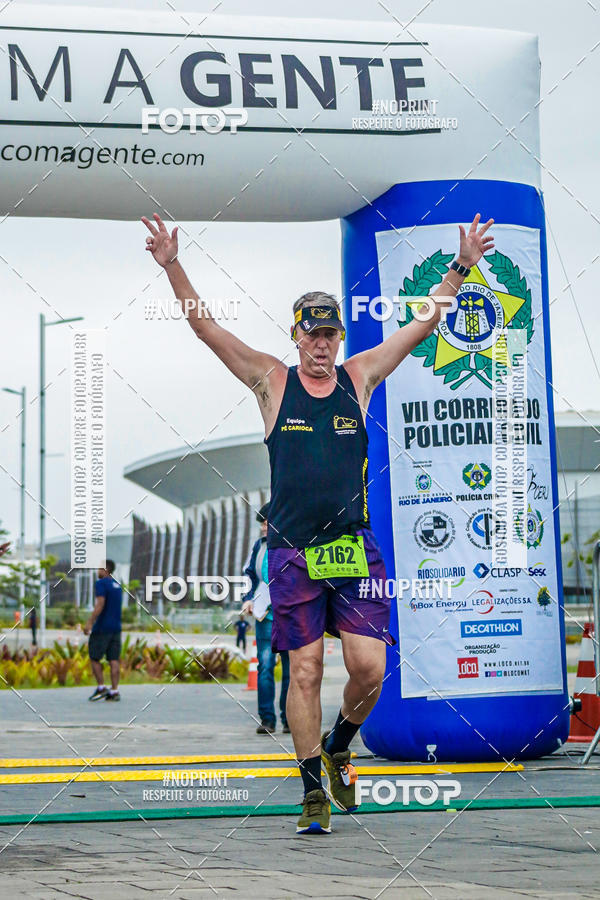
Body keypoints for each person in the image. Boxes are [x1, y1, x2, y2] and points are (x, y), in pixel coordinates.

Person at [142, 210, 494, 834]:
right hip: (293, 550)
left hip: (351, 549)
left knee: (368, 669)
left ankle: (339, 742)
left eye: (331, 333)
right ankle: (312, 790)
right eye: (314, 333)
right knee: (303, 670)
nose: (324, 343)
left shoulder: (360, 377)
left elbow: (421, 323)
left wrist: (461, 266)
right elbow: (205, 328)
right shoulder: (271, 381)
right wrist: (173, 264)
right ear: (298, 335)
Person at [241, 502, 290, 735]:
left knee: (293, 669)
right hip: (265, 616)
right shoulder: (259, 547)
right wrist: (248, 598)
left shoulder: (293, 545)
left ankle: (290, 718)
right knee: (265, 666)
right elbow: (250, 575)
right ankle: (267, 719)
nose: (262, 527)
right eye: (261, 523)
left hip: (291, 615)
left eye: (266, 522)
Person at [84, 560, 123, 701]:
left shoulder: (101, 584)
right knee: (114, 659)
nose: (97, 571)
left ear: (105, 569)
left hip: (102, 628)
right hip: (116, 628)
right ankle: (114, 691)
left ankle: (101, 687)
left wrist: (90, 622)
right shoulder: (118, 586)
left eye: (99, 568)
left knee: (94, 657)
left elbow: (100, 604)